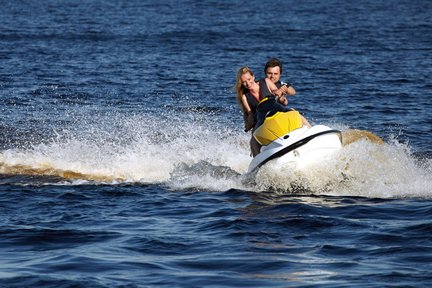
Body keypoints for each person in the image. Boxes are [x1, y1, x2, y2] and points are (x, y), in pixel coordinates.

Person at [235, 66, 295, 156]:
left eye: (249, 79)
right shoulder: (245, 97)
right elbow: (249, 113)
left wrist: (282, 97)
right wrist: (248, 124)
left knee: (294, 112)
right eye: (244, 82)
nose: (248, 83)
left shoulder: (265, 82)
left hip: (276, 112)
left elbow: (276, 92)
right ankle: (257, 161)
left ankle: (313, 133)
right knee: (253, 141)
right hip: (261, 120)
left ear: (253, 77)